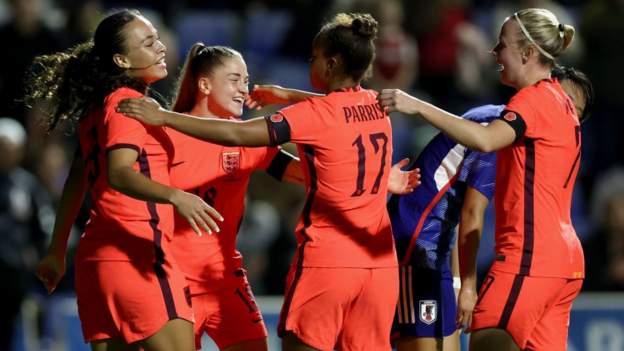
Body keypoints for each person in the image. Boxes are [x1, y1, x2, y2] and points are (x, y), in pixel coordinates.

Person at [118, 13, 403, 351]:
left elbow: (303, 165)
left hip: (228, 280)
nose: (244, 89)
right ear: (205, 85)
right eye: (235, 80)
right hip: (173, 278)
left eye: (246, 80)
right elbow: (125, 194)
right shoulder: (164, 139)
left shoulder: (244, 140)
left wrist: (372, 177)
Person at [378, 8, 592, 351]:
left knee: (487, 341)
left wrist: (416, 105)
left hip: (529, 257)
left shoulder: (532, 100)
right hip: (565, 263)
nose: (494, 53)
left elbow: (485, 139)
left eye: (501, 45)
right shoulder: (562, 105)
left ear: (527, 52)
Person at [26, 10, 222, 351]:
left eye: (158, 38)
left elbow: (77, 179)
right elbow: (119, 171)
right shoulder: (129, 104)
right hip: (138, 255)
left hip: (99, 263)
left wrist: (57, 251)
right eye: (147, 43)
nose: (160, 47)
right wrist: (177, 196)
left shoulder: (100, 108)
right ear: (121, 59)